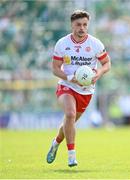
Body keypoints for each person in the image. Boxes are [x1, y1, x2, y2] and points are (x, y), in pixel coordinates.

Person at [46, 10, 111, 167]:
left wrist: (99, 73)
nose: (82, 28)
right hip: (66, 85)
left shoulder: (95, 44)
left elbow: (107, 64)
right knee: (70, 114)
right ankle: (71, 156)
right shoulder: (62, 43)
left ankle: (56, 142)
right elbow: (55, 68)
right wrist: (69, 78)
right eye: (78, 25)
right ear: (72, 25)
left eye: (85, 25)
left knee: (69, 122)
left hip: (86, 91)